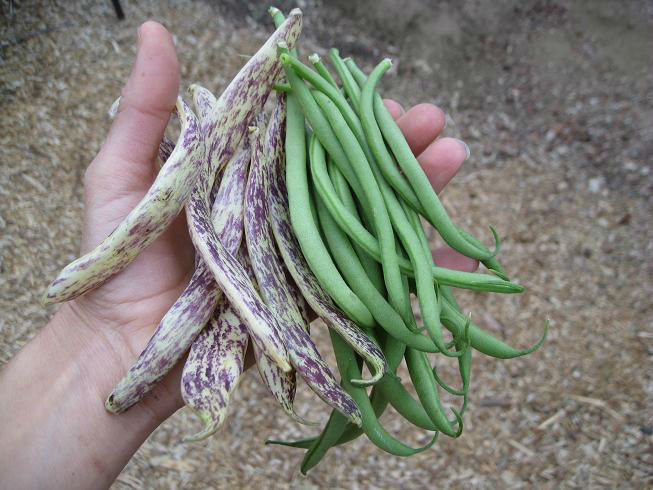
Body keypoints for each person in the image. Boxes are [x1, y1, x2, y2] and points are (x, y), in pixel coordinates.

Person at [0, 21, 477, 489]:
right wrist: (89, 341)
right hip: (180, 288)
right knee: (261, 230)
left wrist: (86, 347)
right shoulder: (225, 142)